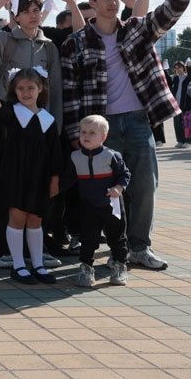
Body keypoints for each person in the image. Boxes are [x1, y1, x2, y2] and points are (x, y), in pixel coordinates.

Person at [60, 0, 191, 272]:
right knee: (109, 192)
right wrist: (75, 135)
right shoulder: (75, 44)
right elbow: (70, 94)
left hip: (138, 120)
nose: (113, 2)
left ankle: (140, 247)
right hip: (101, 129)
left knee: (145, 186)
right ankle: (117, 249)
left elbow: (169, 12)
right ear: (93, 4)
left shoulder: (136, 29)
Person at [0, 70, 62, 284]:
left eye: (31, 88)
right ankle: (19, 265)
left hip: (39, 178)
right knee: (17, 218)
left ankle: (38, 264)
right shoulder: (12, 113)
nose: (26, 92)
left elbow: (55, 154)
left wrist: (55, 179)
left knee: (35, 220)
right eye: (20, 88)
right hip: (15, 176)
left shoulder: (48, 119)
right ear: (14, 90)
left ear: (40, 89)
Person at [70, 114, 131, 287]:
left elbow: (125, 174)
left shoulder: (111, 156)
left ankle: (120, 265)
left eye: (92, 132)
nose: (86, 136)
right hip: (88, 206)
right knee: (88, 238)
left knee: (117, 237)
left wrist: (118, 188)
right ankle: (86, 268)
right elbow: (68, 180)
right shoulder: (74, 157)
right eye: (83, 132)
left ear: (103, 137)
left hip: (112, 206)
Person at [169, 61, 191, 147]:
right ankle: (180, 140)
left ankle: (189, 142)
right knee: (177, 124)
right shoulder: (175, 78)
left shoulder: (188, 78)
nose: (178, 69)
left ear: (184, 68)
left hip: (187, 105)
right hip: (176, 105)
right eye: (176, 68)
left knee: (188, 123)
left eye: (179, 67)